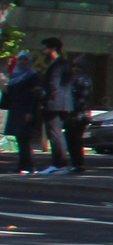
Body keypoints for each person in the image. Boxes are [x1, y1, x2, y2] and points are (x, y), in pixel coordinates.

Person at [35, 39, 74, 174]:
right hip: (62, 104)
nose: (43, 52)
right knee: (56, 133)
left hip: (53, 104)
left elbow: (53, 85)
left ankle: (59, 164)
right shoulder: (64, 64)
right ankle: (60, 164)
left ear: (52, 49)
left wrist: (44, 98)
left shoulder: (57, 65)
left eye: (45, 49)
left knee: (54, 134)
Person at [2, 51, 38, 172]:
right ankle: (22, 166)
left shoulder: (32, 75)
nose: (22, 62)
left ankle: (29, 166)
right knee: (19, 139)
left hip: (26, 110)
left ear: (29, 61)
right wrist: (3, 87)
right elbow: (10, 94)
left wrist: (31, 112)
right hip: (16, 110)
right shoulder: (14, 75)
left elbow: (35, 95)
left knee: (25, 139)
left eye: (25, 59)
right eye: (20, 59)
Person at [60, 55, 92, 173]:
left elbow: (83, 99)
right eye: (74, 66)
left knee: (76, 140)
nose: (75, 69)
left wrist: (73, 110)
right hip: (69, 114)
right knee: (70, 139)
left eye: (79, 67)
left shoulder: (84, 80)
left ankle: (79, 164)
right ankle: (74, 163)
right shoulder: (70, 80)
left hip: (79, 115)